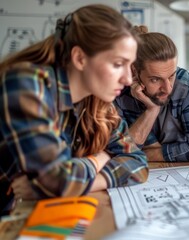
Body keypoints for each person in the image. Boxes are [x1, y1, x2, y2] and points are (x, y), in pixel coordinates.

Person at [0, 4, 149, 214]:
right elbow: (59, 182)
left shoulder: (96, 100)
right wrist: (98, 159)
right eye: (117, 64)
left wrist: (86, 180)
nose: (127, 79)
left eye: (129, 66)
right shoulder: (27, 84)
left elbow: (138, 162)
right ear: (80, 58)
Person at [114, 26, 189, 162]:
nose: (167, 88)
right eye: (155, 79)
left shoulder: (188, 86)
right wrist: (152, 110)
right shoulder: (119, 92)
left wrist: (145, 153)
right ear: (135, 71)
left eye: (171, 76)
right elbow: (120, 153)